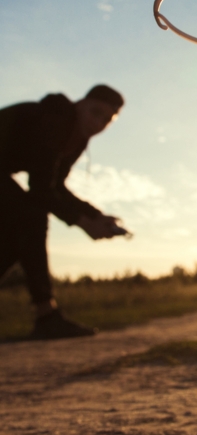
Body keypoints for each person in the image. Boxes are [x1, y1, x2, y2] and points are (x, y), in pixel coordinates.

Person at [0, 85, 126, 340]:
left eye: (107, 120)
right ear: (80, 103)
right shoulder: (55, 120)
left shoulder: (76, 137)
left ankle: (47, 316)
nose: (98, 123)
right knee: (29, 216)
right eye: (95, 112)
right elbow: (40, 189)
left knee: (30, 219)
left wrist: (95, 215)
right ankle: (46, 316)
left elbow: (55, 186)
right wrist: (83, 223)